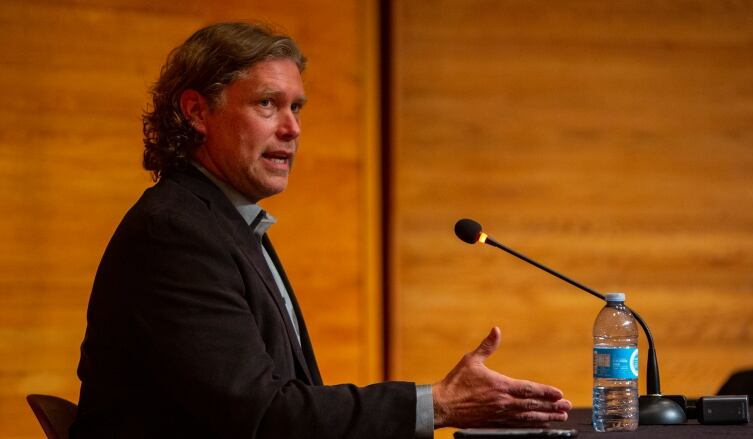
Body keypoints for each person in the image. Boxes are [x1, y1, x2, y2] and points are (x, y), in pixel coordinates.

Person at [70, 22, 572, 438]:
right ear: (197, 111)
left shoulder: (222, 223)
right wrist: (436, 404)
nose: (292, 128)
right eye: (268, 104)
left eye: (297, 107)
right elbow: (263, 416)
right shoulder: (175, 234)